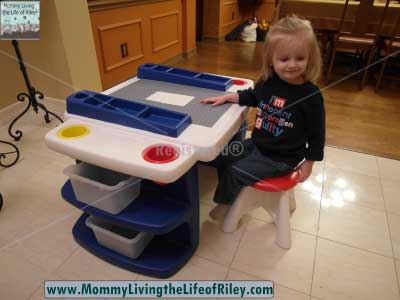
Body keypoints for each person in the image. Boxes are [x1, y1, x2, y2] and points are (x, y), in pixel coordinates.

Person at [201, 15, 325, 219]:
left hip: (281, 160)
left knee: (235, 171)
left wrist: (309, 162)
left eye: (300, 58)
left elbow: (318, 134)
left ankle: (226, 204)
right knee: (223, 157)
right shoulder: (268, 82)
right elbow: (252, 96)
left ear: (310, 58)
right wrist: (228, 97)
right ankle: (233, 191)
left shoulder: (311, 96)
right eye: (284, 59)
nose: (292, 65)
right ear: (271, 59)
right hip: (257, 145)